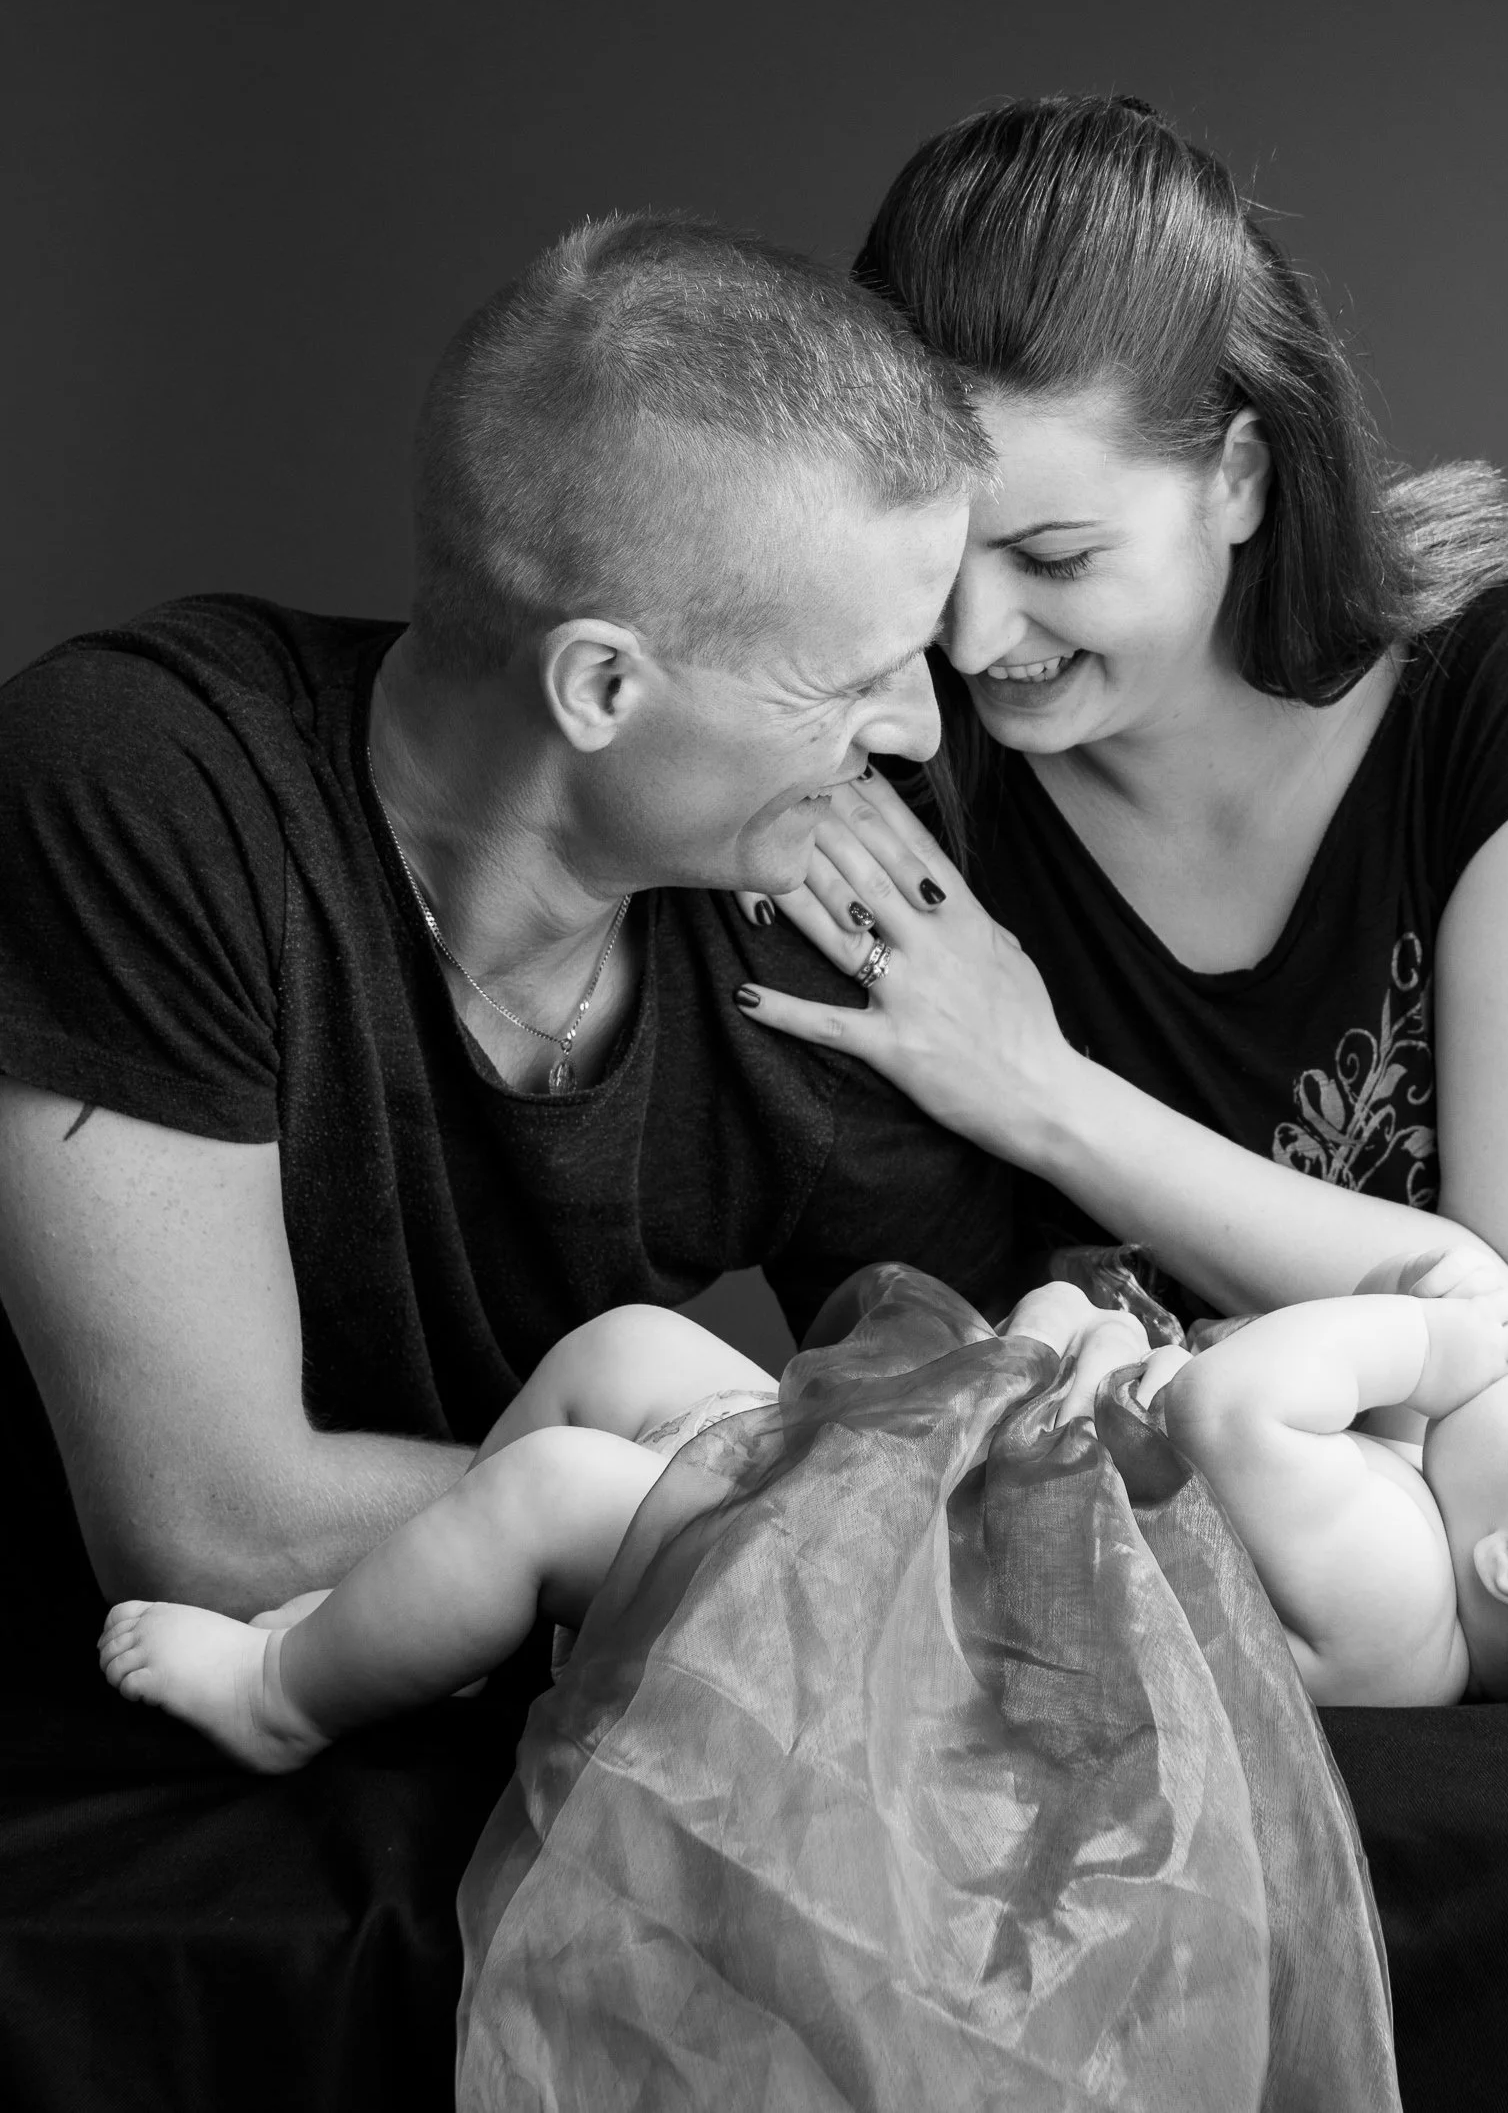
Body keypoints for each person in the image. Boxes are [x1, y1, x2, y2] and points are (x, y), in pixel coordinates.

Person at [0, 212, 1024, 1640]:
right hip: (109, 1722)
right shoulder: (149, 785)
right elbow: (212, 1533)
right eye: (855, 679)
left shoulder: (819, 885)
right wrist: (757, 1498)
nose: (917, 726)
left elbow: (981, 1470)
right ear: (600, 688)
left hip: (514, 1699)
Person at [729, 94, 1508, 1364]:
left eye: (1056, 557)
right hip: (1100, 1548)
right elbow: (917, 1380)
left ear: (1237, 475)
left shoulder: (1504, 699)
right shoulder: (893, 777)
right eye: (936, 561)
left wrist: (1039, 1090)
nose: (968, 644)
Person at [95, 1268, 1508, 1766]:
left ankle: (292, 1699)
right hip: (913, 1526)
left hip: (879, 1609)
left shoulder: (1402, 1573)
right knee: (635, 1355)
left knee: (566, 1481)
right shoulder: (1416, 1567)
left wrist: (1418, 1331)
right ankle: (444, 1637)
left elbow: (1241, 1402)